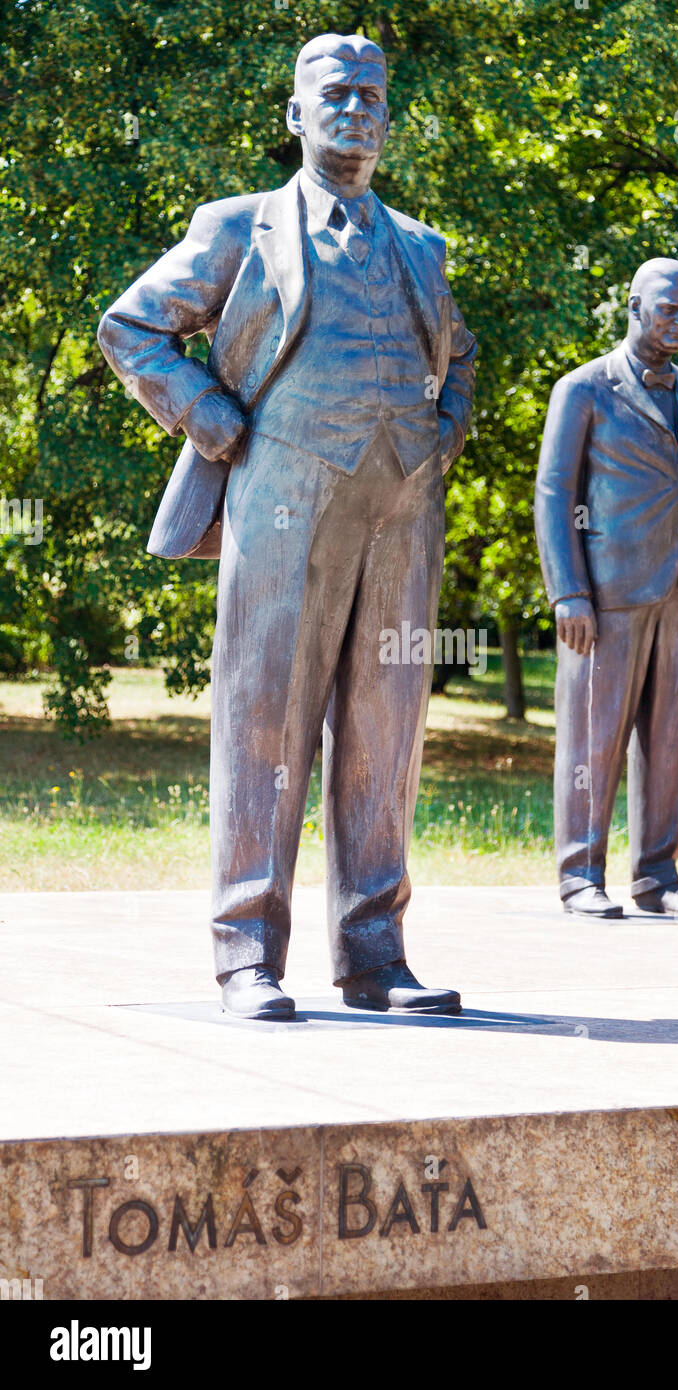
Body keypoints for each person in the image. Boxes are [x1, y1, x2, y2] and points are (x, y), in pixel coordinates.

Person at [98, 33, 477, 1019]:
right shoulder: (240, 228)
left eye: (370, 95)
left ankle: (373, 953)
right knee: (265, 722)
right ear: (295, 116)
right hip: (280, 501)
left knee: (384, 733)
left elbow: (460, 353)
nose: (354, 109)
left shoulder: (422, 245)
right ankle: (244, 954)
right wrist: (198, 405)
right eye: (334, 95)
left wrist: (439, 438)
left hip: (399, 513)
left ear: (388, 117)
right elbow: (129, 325)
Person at [534, 258, 678, 921]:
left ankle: (657, 875)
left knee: (674, 739)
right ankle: (579, 873)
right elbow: (553, 494)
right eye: (667, 308)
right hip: (607, 593)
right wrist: (567, 592)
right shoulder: (583, 389)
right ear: (633, 305)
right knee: (593, 737)